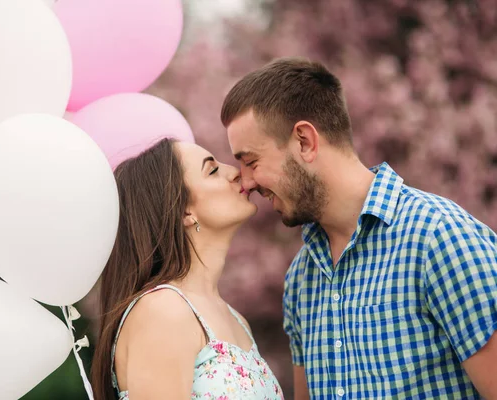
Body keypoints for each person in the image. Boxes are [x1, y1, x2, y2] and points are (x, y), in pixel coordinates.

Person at [221, 57, 497, 399]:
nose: (246, 182)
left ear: (305, 141)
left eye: (251, 162)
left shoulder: (439, 238)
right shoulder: (300, 280)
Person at [90, 138, 284, 400]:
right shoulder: (162, 310)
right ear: (184, 211)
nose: (235, 172)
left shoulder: (237, 320)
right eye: (213, 170)